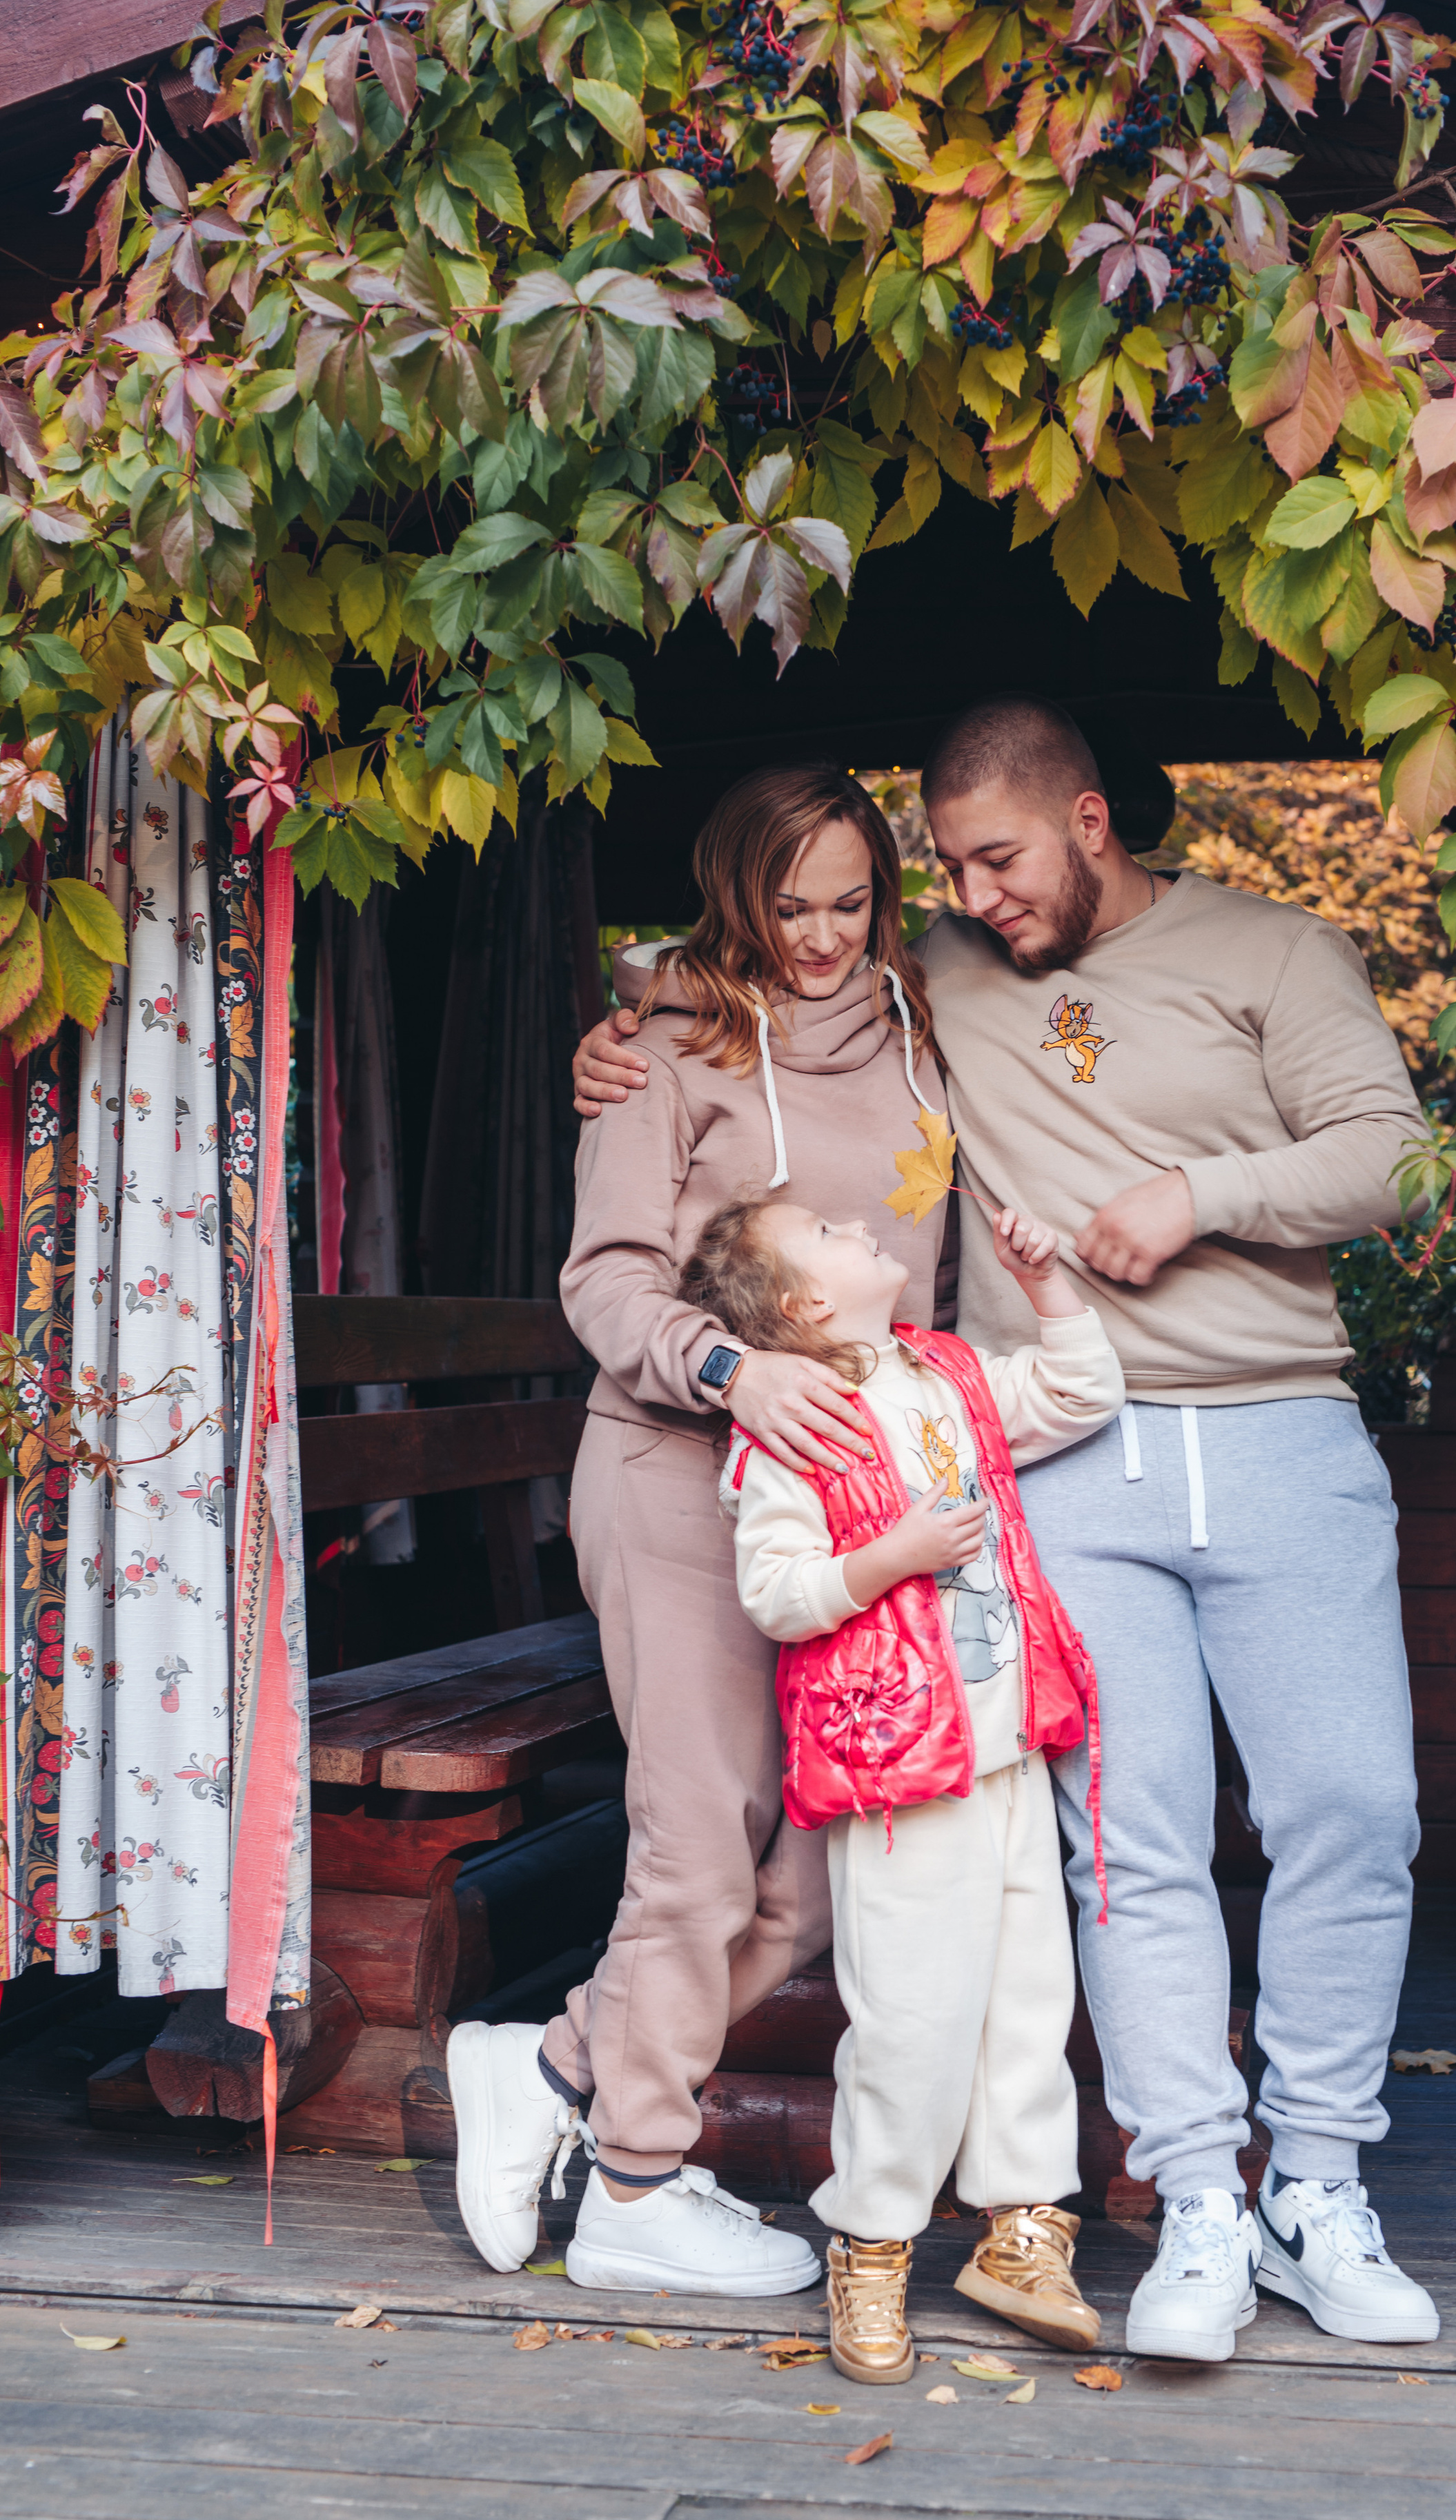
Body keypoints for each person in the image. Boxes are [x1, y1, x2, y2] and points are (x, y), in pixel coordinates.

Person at [573, 696, 1442, 2359]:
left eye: (992, 860)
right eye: (948, 870)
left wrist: (1200, 1197)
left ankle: (1314, 2185)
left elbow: (1388, 1161)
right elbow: (722, 980)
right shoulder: (903, 989)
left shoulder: (1249, 953)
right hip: (1032, 1463)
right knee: (1120, 1841)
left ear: (1090, 822)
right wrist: (619, 1025)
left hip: (1256, 1431)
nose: (968, 897)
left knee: (1349, 1806)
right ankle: (1192, 2195)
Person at [449, 764, 950, 2299]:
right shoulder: (667, 1050)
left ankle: (547, 2063)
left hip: (851, 1491)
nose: (816, 937)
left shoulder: (925, 1028)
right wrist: (732, 1368)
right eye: (784, 906)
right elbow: (601, 1284)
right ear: (735, 900)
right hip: (678, 1472)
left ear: (884, 891)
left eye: (847, 902)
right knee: (698, 1844)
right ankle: (635, 2188)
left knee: (807, 1876)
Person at [684, 1190, 1122, 2380]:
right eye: (827, 1230)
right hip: (897, 1768)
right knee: (914, 2022)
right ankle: (871, 2244)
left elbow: (1083, 1391)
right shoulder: (796, 1423)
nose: (861, 1223)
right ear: (805, 1304)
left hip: (1008, 1749)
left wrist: (1050, 1290)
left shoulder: (950, 1373)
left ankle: (1023, 2233)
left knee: (1027, 2002)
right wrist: (897, 1557)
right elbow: (779, 1590)